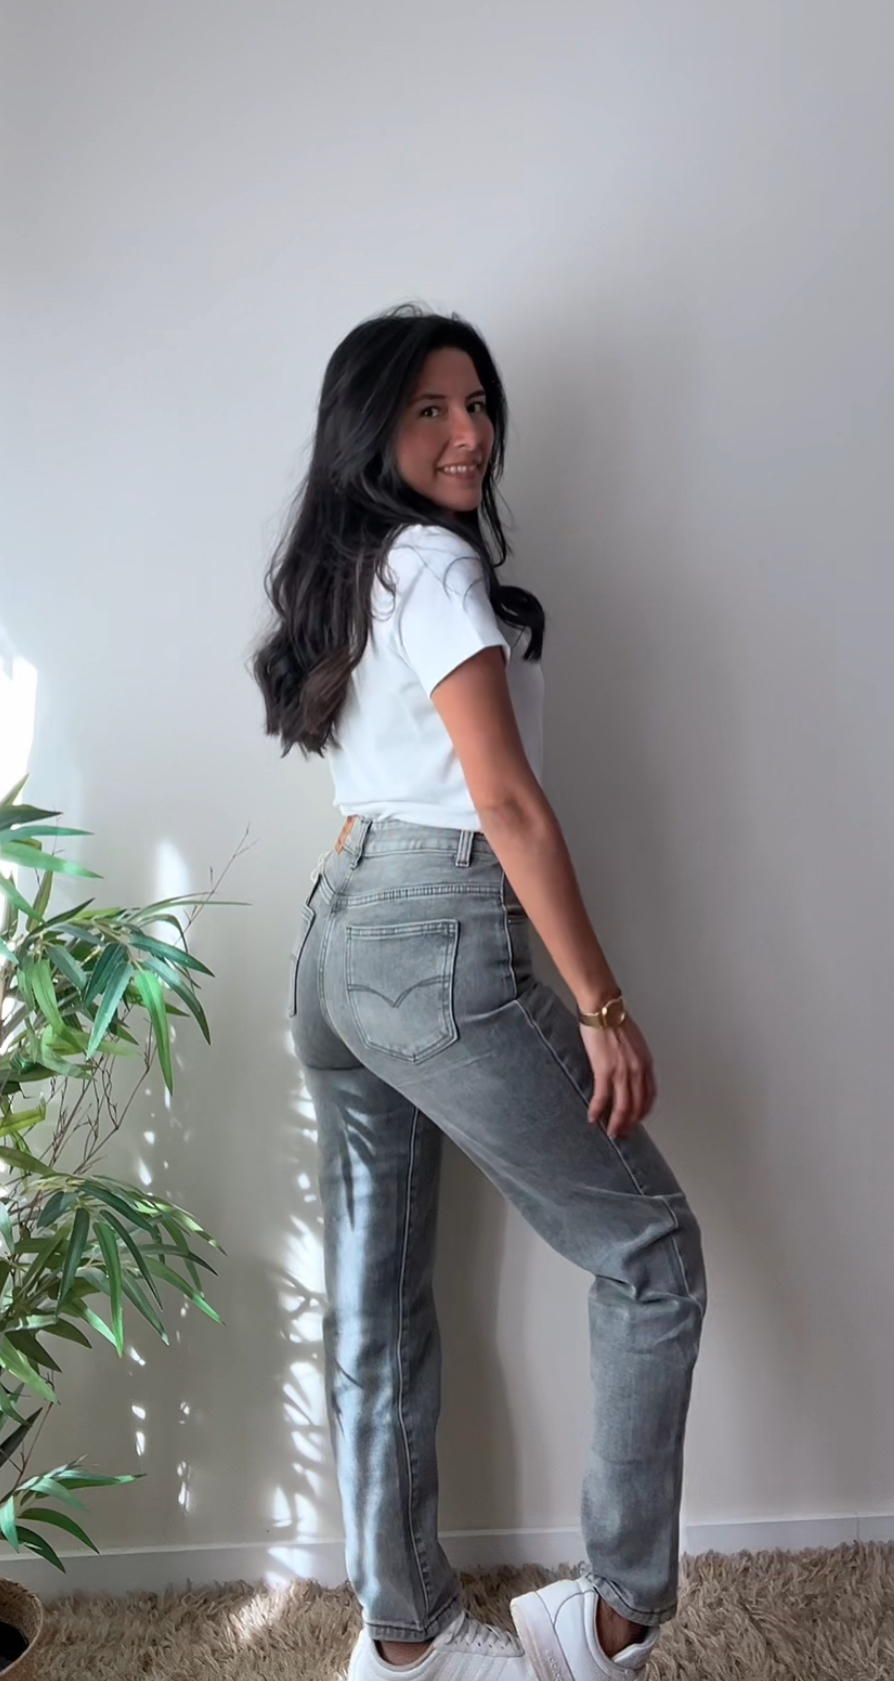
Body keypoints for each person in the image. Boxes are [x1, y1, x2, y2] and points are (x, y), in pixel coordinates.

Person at [253, 305, 707, 1681]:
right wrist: (601, 1006)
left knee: (377, 1302)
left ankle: (405, 1641)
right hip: (436, 934)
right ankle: (609, 1619)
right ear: (371, 430)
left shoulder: (352, 564)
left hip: (341, 938)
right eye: (430, 410)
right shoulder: (437, 563)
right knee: (653, 1255)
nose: (470, 433)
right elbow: (504, 803)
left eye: (477, 404)